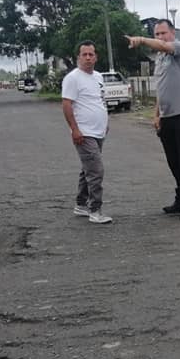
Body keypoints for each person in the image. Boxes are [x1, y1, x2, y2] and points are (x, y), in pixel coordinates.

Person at [127, 20, 180, 220]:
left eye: (163, 33)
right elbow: (161, 88)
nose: (160, 37)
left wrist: (142, 40)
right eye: (157, 34)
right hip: (167, 118)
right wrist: (156, 114)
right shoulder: (159, 59)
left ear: (172, 33)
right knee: (174, 162)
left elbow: (163, 46)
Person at [61, 40, 112, 224]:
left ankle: (81, 204)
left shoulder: (98, 77)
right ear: (78, 57)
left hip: (98, 131)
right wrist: (75, 129)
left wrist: (106, 121)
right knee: (96, 170)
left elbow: (100, 100)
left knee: (88, 169)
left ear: (96, 57)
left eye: (91, 54)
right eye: (85, 54)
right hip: (84, 132)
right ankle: (95, 210)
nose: (88, 58)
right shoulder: (73, 78)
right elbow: (66, 104)